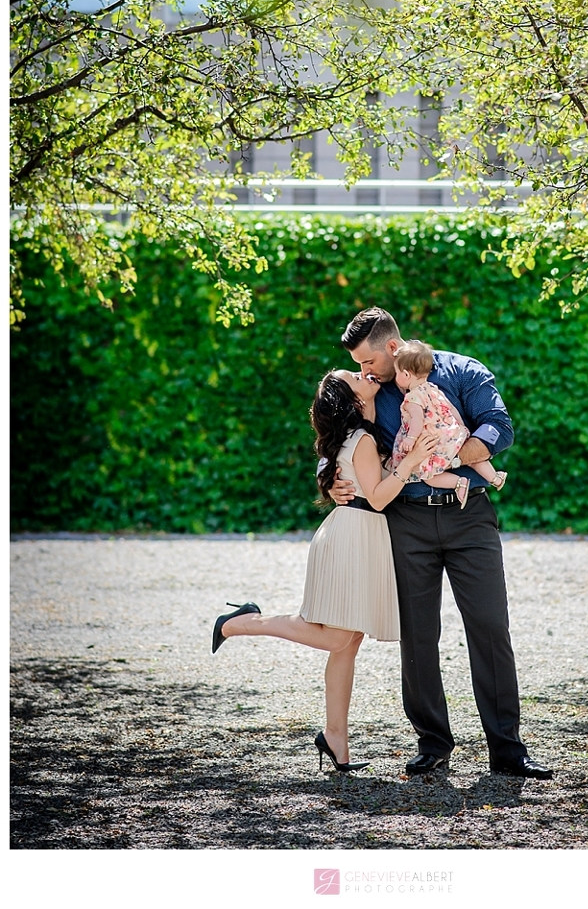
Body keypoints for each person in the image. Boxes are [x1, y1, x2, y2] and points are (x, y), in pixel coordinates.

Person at [332, 307, 553, 780]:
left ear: (393, 348)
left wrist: (447, 453)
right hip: (405, 521)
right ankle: (432, 744)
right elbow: (337, 436)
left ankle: (508, 750)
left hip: (469, 515)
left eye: (369, 362)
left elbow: (498, 428)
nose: (364, 372)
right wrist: (326, 478)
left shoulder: (464, 370)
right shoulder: (368, 391)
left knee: (490, 627)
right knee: (418, 635)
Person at [211, 368, 438, 773]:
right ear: (350, 401)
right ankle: (245, 622)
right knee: (336, 636)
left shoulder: (361, 431)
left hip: (357, 533)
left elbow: (346, 465)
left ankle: (335, 740)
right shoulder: (364, 440)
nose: (363, 373)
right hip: (353, 533)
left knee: (348, 642)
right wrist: (414, 461)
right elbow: (381, 498)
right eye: (354, 375)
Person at [390, 338, 507, 509]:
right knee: (473, 458)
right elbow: (451, 408)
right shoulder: (433, 388)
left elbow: (417, 420)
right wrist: (461, 428)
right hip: (452, 432)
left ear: (406, 374)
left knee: (427, 474)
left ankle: (459, 483)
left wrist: (410, 438)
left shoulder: (412, 398)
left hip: (434, 440)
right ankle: (495, 477)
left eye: (396, 373)